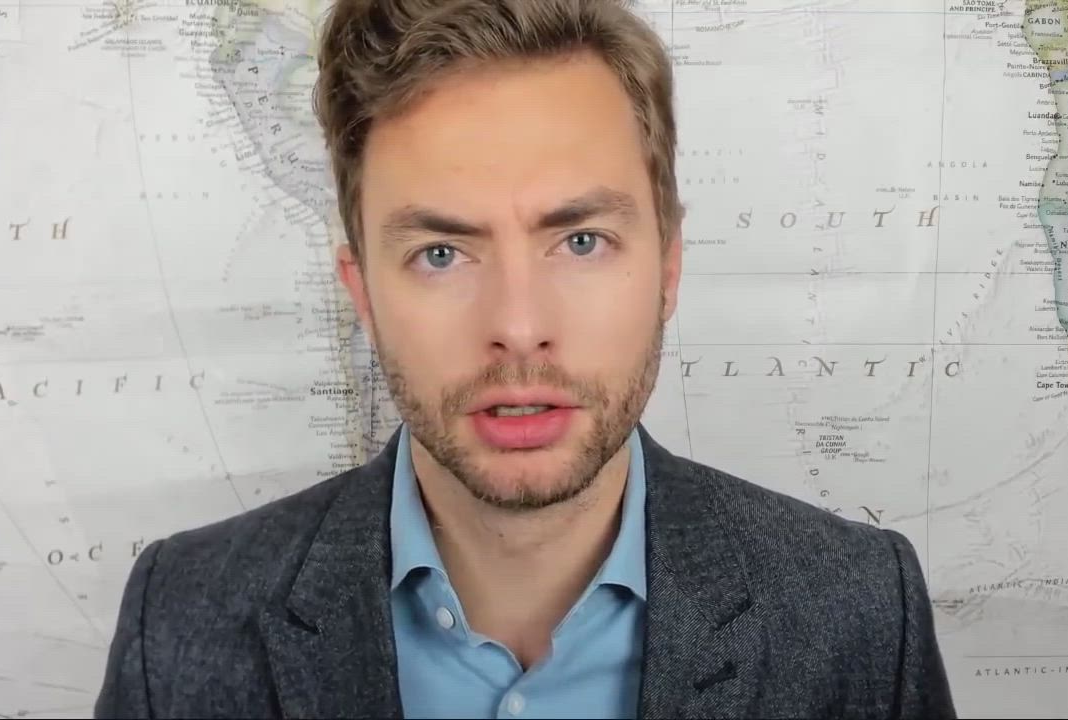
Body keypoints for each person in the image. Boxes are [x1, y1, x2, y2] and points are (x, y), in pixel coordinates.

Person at [94, 0, 957, 717]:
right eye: (441, 253)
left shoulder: (860, 616)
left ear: (669, 267)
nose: (517, 326)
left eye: (581, 241)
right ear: (361, 292)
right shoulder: (179, 621)